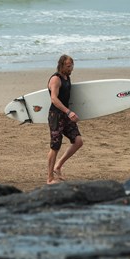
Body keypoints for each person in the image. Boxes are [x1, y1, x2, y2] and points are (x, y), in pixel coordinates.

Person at [46, 55, 83, 184]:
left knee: (78, 141)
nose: (71, 68)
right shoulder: (56, 79)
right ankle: (50, 178)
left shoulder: (67, 78)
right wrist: (68, 112)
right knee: (55, 146)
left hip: (66, 115)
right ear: (61, 65)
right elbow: (54, 99)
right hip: (56, 115)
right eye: (68, 66)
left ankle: (58, 166)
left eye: (72, 65)